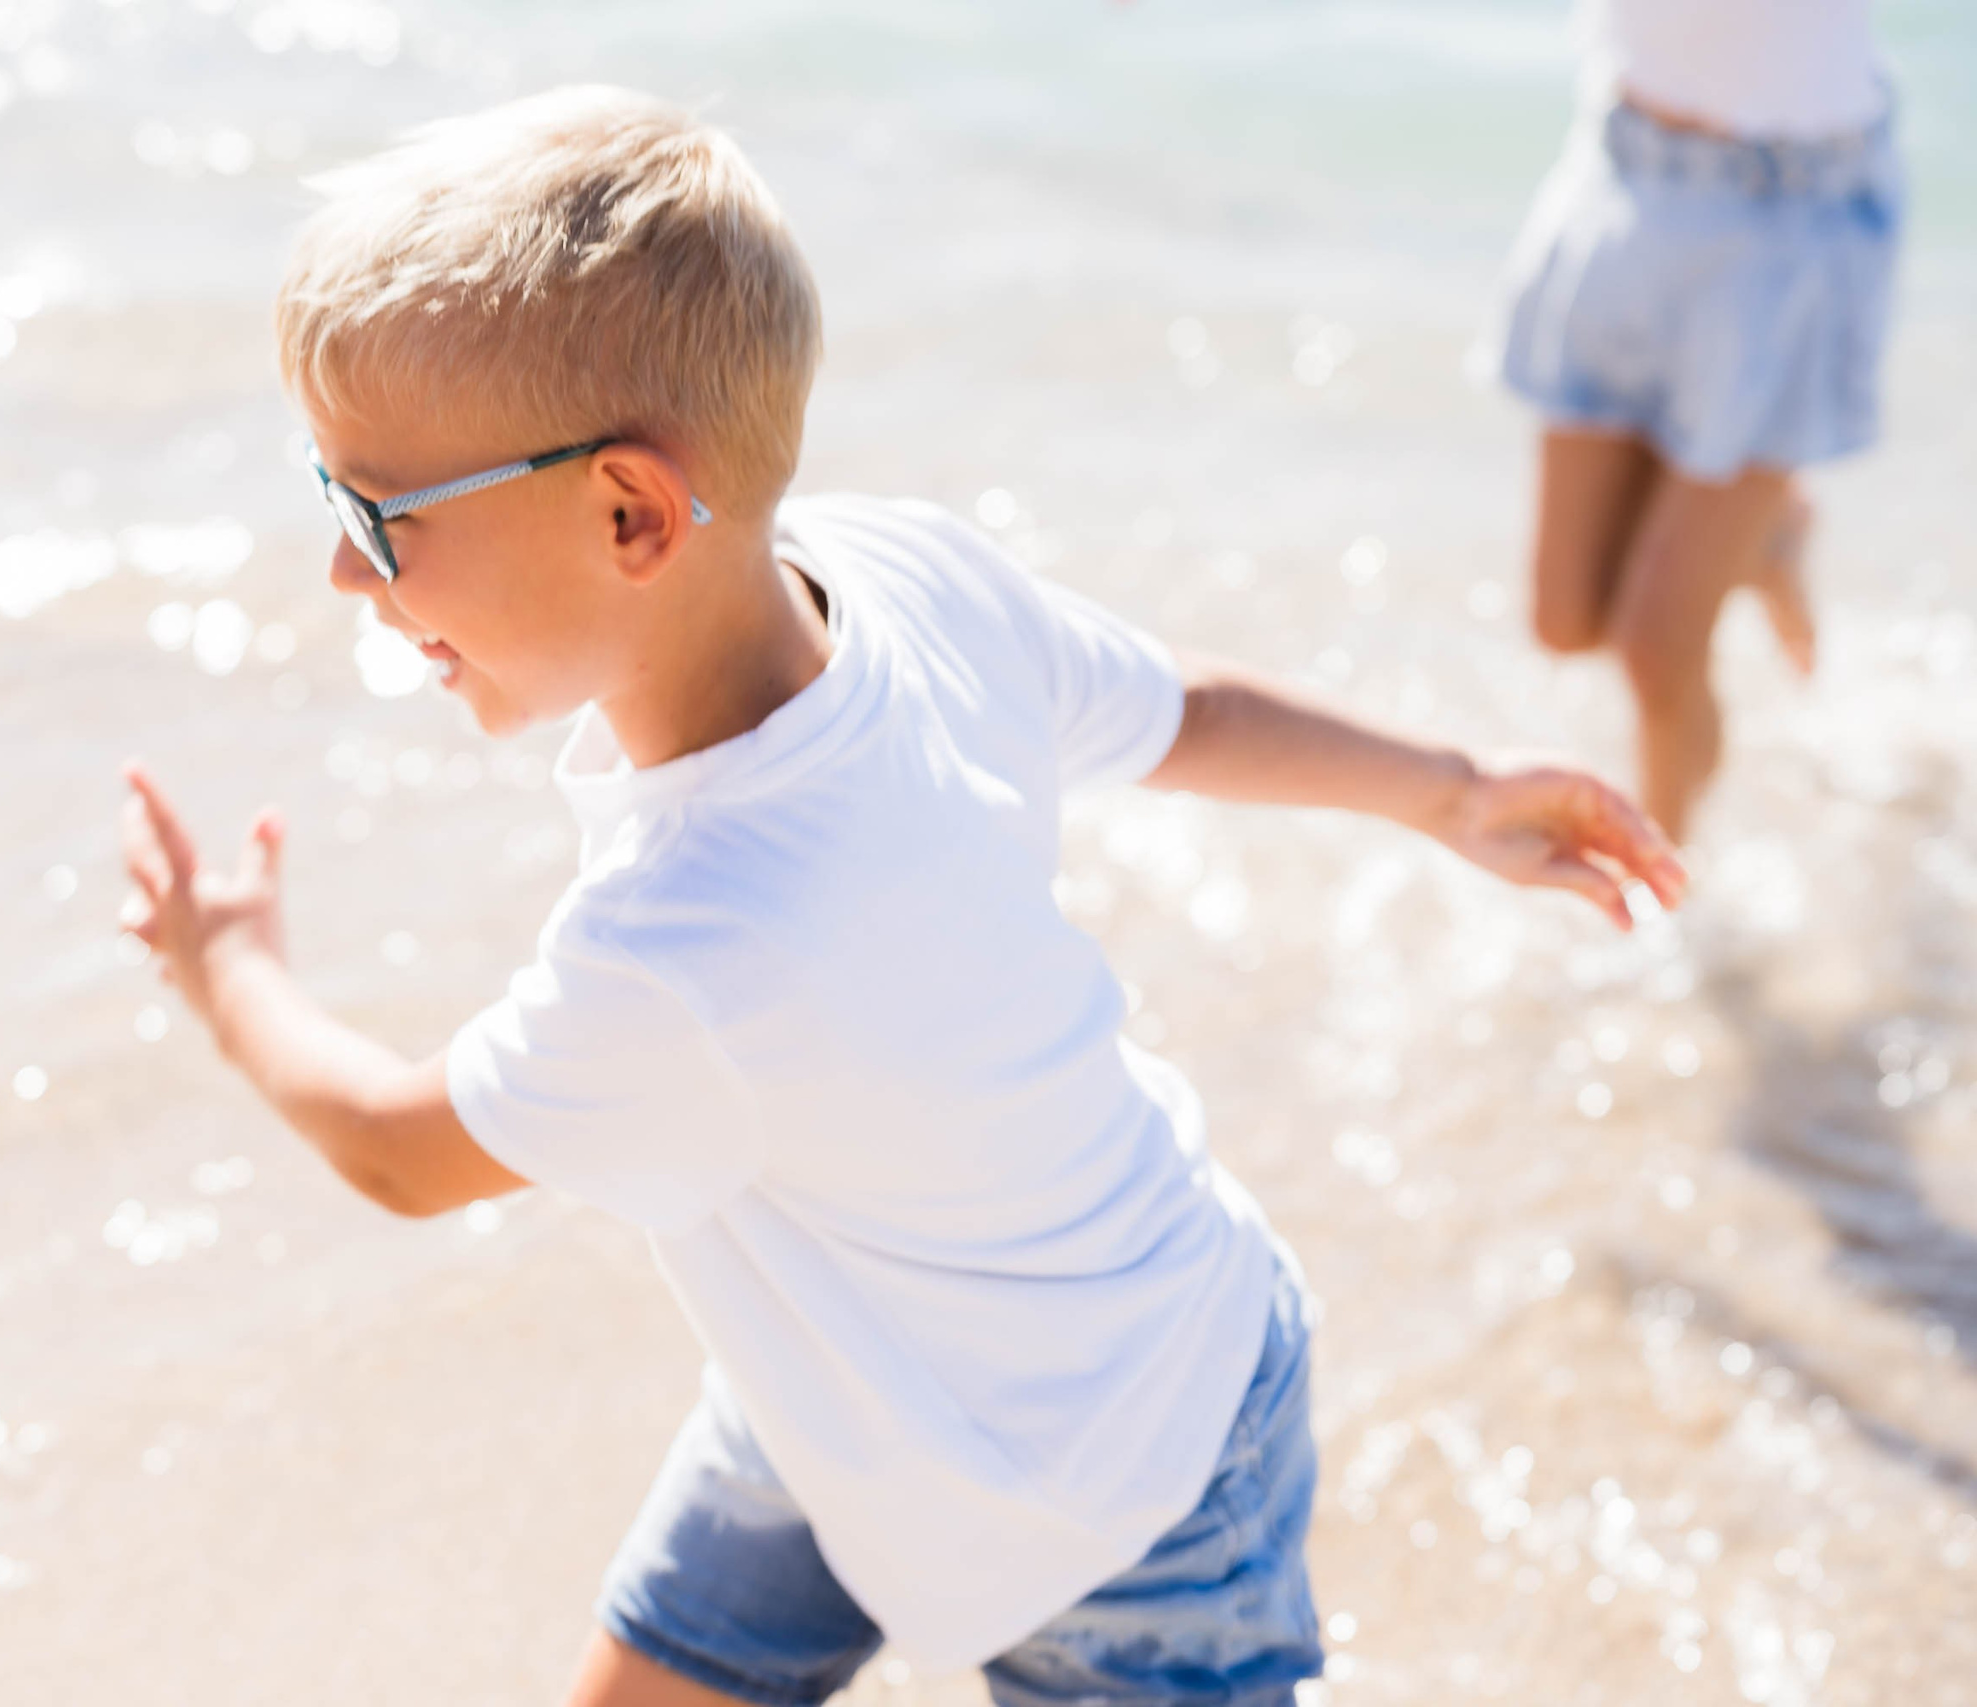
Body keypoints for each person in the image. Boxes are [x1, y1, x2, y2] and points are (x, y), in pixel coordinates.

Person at [118, 87, 1686, 1707]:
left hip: (1128, 1483)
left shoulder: (696, 933)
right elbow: (1182, 712)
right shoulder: (899, 574)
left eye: (376, 517)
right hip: (857, 1360)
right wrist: (1448, 787)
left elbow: (393, 1147)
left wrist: (231, 971)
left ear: (629, 514)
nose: (340, 574)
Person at [1489, 0, 1904, 839]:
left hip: (1791, 210)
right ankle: (1765, 531)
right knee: (1566, 619)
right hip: (1627, 177)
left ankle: (1661, 897)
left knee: (1655, 647)